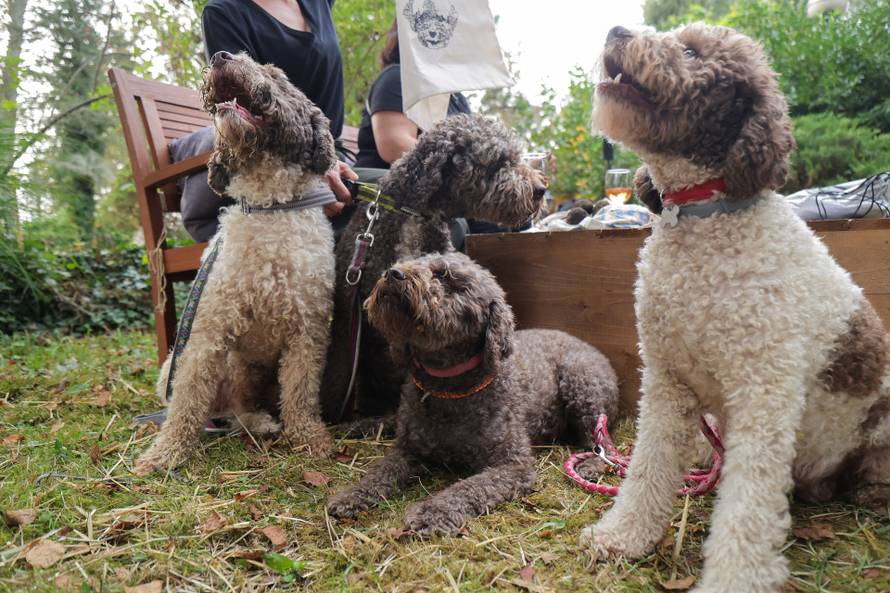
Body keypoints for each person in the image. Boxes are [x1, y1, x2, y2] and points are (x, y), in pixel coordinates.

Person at [173, 0, 356, 242]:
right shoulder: (223, 12)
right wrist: (316, 168)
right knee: (388, 209)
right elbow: (241, 106)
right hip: (281, 168)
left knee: (398, 199)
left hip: (332, 153)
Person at [355, 20, 471, 169]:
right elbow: (395, 148)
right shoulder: (397, 78)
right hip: (383, 181)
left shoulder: (456, 98)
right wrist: (464, 166)